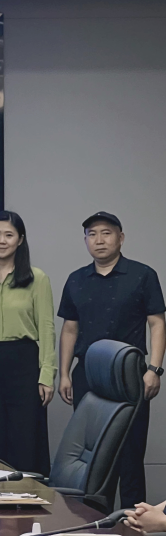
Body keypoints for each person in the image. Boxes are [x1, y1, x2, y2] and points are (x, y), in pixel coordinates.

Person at [57, 211, 165, 509]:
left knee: (130, 454)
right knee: (92, 455)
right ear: (85, 240)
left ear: (121, 238)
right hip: (87, 375)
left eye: (106, 233)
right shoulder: (76, 279)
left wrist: (154, 369)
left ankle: (135, 524)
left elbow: (157, 323)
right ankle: (91, 522)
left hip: (129, 374)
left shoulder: (142, 275)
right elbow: (69, 329)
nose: (99, 240)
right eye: (92, 234)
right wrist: (64, 373)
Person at [0, 211, 56, 476]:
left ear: (20, 240)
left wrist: (47, 375)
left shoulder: (37, 278)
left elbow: (47, 327)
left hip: (24, 360)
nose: (2, 241)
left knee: (24, 434)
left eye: (9, 235)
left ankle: (28, 493)